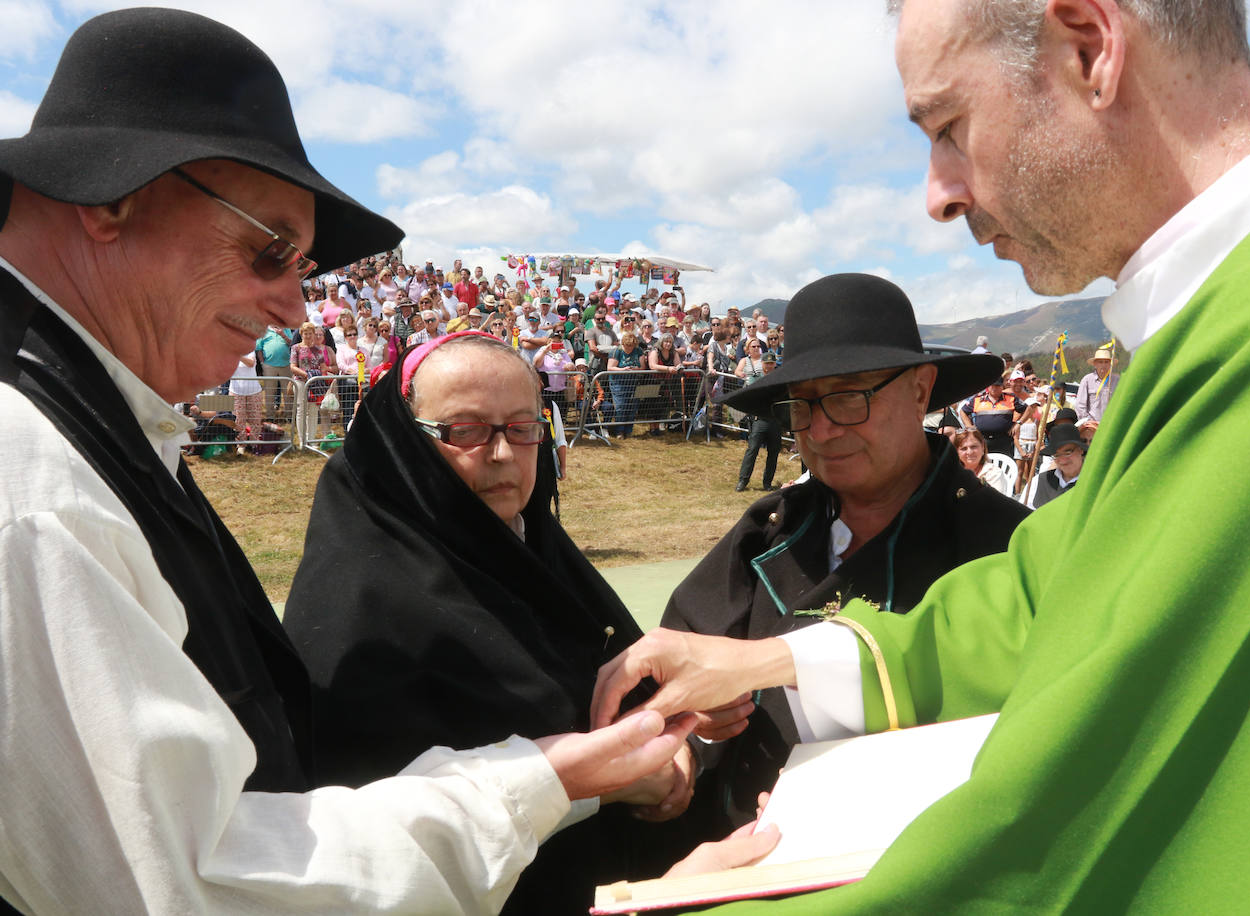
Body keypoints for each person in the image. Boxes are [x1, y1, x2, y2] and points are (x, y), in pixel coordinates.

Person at [591, 0, 1250, 910]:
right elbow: (1047, 591)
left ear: (1091, 47)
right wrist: (776, 663)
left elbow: (1063, 826)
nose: (938, 195)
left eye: (949, 127)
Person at [0, 10, 734, 913]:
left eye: (302, 267)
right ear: (111, 198)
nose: (294, 308)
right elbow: (183, 883)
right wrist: (543, 783)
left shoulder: (89, 425)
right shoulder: (28, 479)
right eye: (271, 250)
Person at [284, 333, 703, 914]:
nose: (503, 454)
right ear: (407, 443)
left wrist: (673, 747)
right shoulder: (362, 601)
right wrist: (597, 787)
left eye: (523, 427)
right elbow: (370, 813)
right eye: (466, 430)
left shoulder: (537, 551)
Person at [658, 273, 1028, 835]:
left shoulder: (1005, 545)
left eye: (849, 396)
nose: (823, 430)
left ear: (921, 390)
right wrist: (686, 740)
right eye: (802, 407)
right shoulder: (768, 530)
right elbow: (682, 664)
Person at [733, 352, 782, 491]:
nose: (769, 366)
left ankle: (767, 483)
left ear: (774, 364)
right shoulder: (755, 379)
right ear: (762, 364)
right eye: (766, 363)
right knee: (752, 450)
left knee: (773, 453)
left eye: (771, 363)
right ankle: (743, 481)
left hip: (775, 420)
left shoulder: (780, 379)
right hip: (759, 420)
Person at [1029, 422, 1087, 508]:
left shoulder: (1093, 481)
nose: (1063, 460)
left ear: (1081, 450)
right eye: (1056, 455)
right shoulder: (1042, 480)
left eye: (1068, 452)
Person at [952, 427, 1014, 494]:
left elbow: (995, 503)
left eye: (974, 447)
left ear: (983, 448)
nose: (969, 452)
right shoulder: (950, 473)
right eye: (964, 448)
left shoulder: (994, 474)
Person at [1075, 345, 1120, 434]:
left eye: (1106, 362)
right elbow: (1080, 405)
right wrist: (1089, 422)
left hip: (1112, 425)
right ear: (1095, 364)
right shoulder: (1087, 380)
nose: (1103, 365)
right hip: (1091, 427)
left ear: (1110, 364)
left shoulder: (1118, 380)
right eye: (1100, 362)